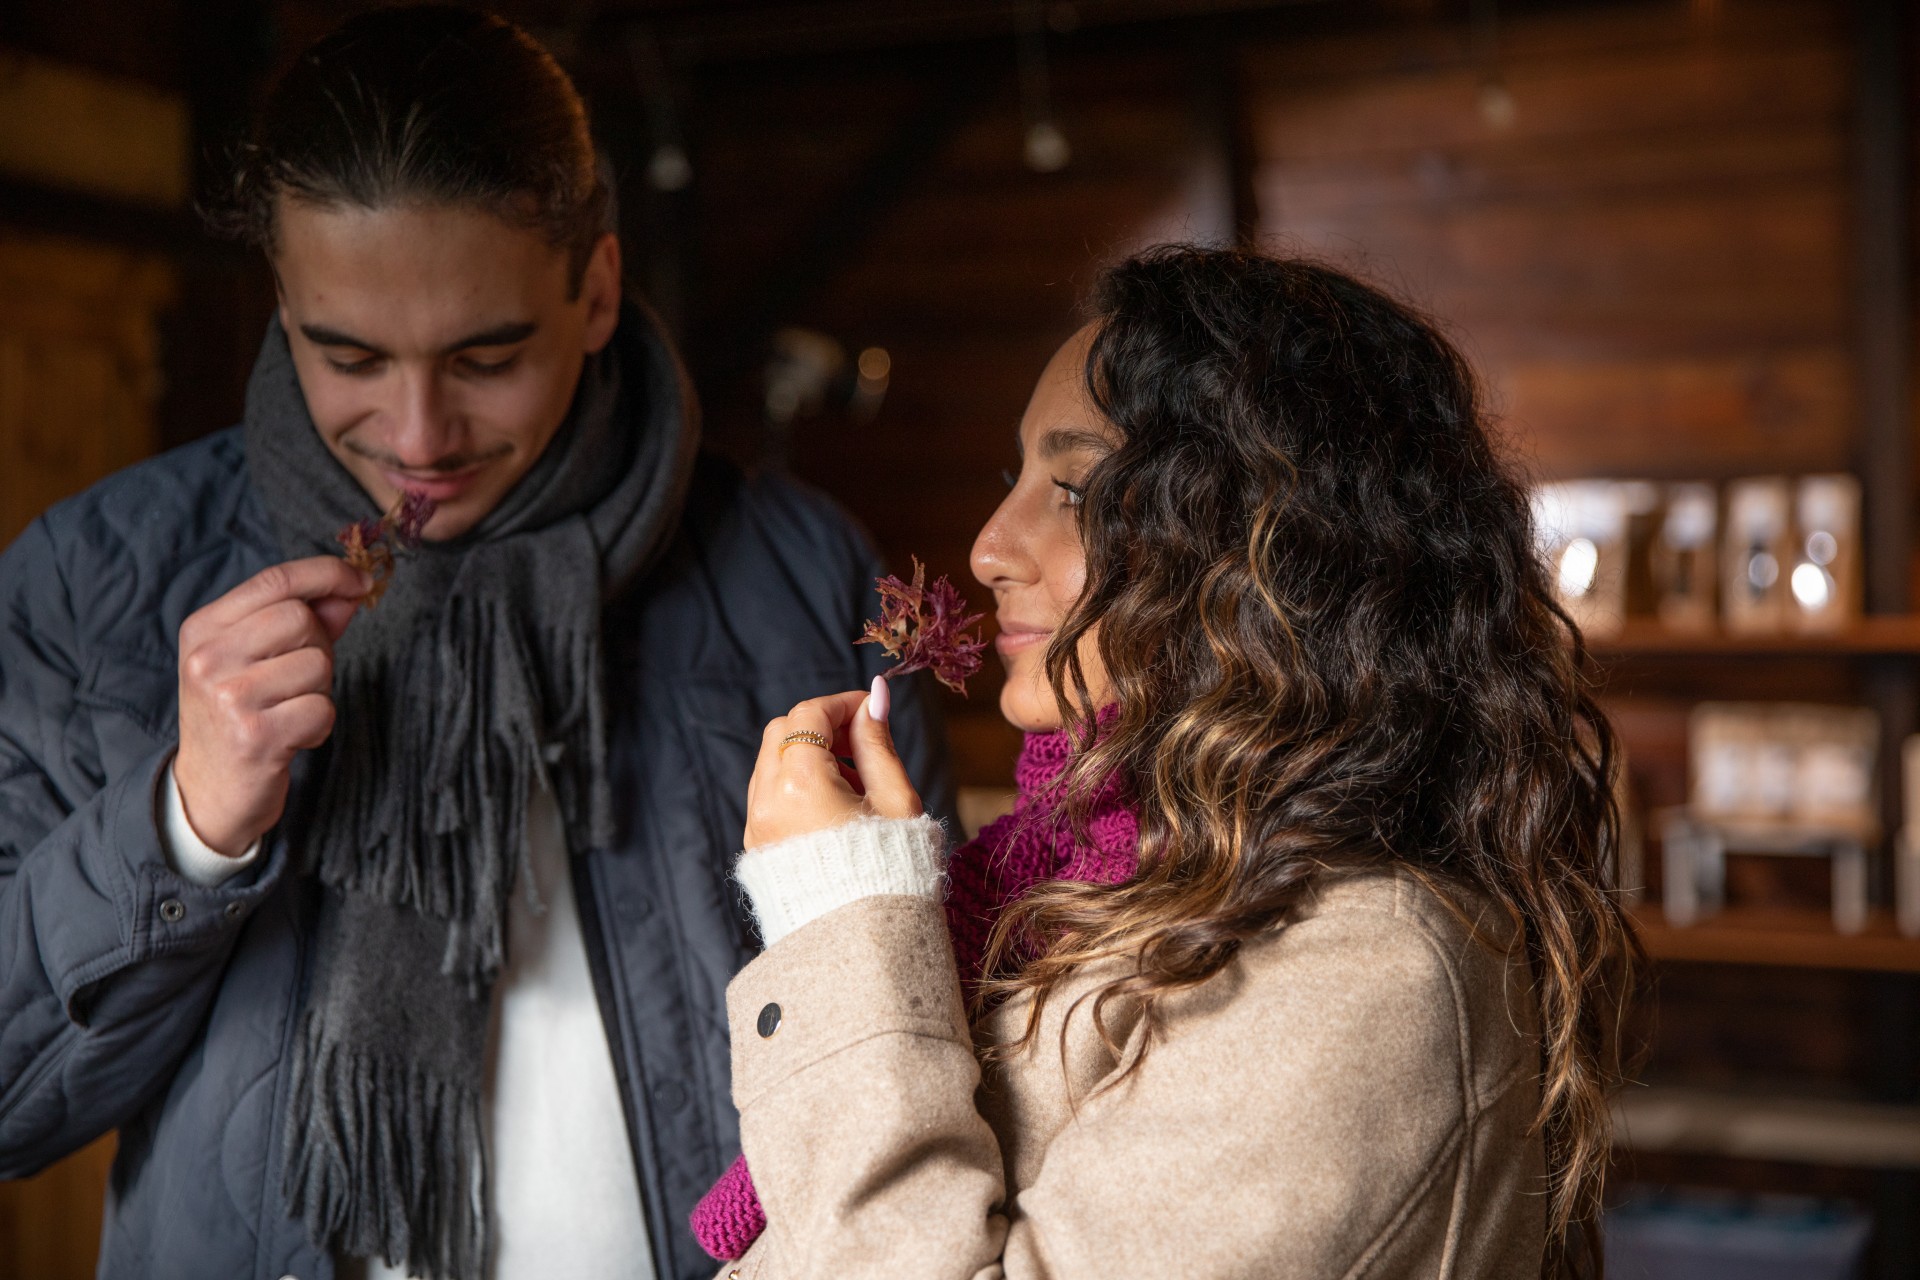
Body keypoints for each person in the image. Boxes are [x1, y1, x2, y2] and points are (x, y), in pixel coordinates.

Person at [0, 9, 951, 1280]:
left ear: (599, 289)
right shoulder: (88, 578)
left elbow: (927, 1040)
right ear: (282, 306)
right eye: (347, 355)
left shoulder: (799, 569)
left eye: (485, 356)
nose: (419, 433)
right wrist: (183, 823)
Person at [695, 246, 1641, 1279]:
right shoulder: (1061, 883)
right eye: (1013, 477)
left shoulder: (1366, 969)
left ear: (1268, 548)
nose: (988, 546)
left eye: (1073, 488)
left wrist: (840, 919)